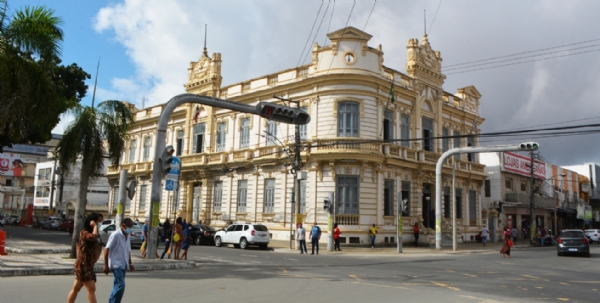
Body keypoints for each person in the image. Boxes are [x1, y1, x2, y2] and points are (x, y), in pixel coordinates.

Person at [67, 212, 103, 303]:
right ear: (91, 222)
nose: (98, 225)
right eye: (97, 222)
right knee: (91, 289)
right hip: (83, 265)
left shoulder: (91, 232)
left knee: (76, 288)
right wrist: (95, 227)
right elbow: (93, 238)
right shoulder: (84, 233)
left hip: (88, 265)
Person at [103, 217, 135, 303]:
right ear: (123, 225)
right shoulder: (115, 235)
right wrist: (106, 265)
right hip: (116, 264)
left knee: (118, 286)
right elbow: (106, 249)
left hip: (123, 264)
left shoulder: (127, 236)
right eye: (129, 226)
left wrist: (130, 263)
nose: (130, 229)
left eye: (131, 227)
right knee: (120, 285)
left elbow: (128, 250)